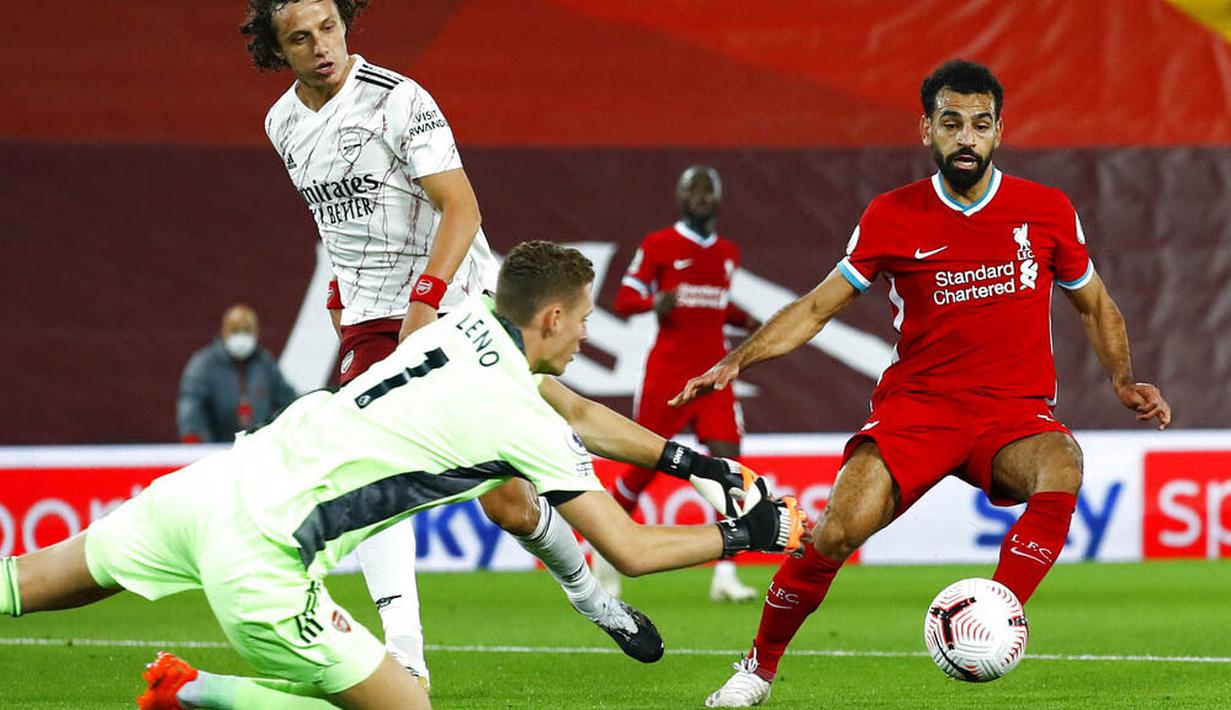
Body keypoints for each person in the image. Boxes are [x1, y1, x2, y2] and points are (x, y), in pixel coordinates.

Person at [0, 241, 808, 710]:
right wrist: (748, 534)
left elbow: (581, 414)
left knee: (31, 579)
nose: (589, 332)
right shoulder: (515, 417)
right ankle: (192, 693)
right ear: (552, 318)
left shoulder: (458, 328)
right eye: (586, 318)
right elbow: (627, 548)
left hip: (211, 486)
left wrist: (693, 462)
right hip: (265, 558)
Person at [680, 60, 1172, 707]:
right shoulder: (890, 216)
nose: (965, 137)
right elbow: (816, 307)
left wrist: (1123, 379)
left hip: (1011, 414)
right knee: (834, 530)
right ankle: (756, 668)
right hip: (917, 411)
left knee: (1062, 463)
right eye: (950, 123)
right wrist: (738, 359)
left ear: (998, 131)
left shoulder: (1046, 211)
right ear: (926, 130)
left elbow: (1094, 303)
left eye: (979, 124)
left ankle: (994, 619)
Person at [242, 0, 645, 687]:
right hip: (373, 320)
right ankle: (404, 653)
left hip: (454, 304)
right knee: (370, 472)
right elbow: (340, 230)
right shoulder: (282, 124)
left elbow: (461, 206)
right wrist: (346, 302)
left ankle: (591, 597)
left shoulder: (398, 100)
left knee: (509, 503)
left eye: (329, 28)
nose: (320, 47)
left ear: (346, 24)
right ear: (278, 50)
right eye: (300, 38)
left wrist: (424, 304)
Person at [595, 165, 762, 602]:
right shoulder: (659, 245)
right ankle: (604, 553)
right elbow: (624, 299)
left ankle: (725, 576)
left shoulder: (728, 252)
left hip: (714, 375)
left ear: (720, 200)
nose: (702, 198)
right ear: (681, 197)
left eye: (710, 191)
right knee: (643, 465)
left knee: (730, 469)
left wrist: (747, 322)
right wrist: (655, 301)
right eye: (695, 191)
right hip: (668, 375)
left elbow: (713, 306)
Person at [177, 304, 298, 443]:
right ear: (224, 331)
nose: (241, 335)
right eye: (235, 330)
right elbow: (191, 403)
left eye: (246, 330)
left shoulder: (265, 364)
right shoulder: (204, 364)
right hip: (214, 450)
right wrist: (195, 438)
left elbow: (287, 399)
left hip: (257, 448)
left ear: (256, 332)